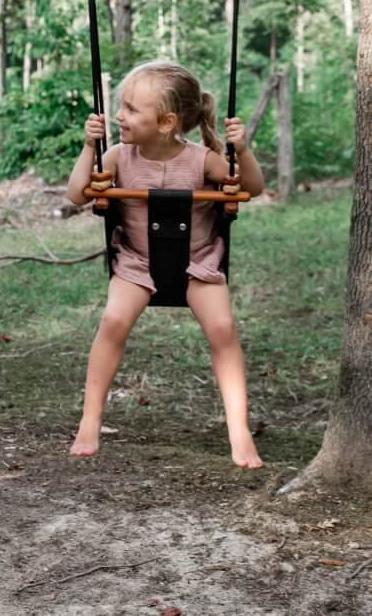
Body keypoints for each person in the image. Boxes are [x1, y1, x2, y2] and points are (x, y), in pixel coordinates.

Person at [65, 61, 264, 469]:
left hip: (199, 262)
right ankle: (90, 420)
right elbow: (76, 195)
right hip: (137, 264)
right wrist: (90, 147)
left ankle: (239, 429)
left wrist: (241, 150)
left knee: (223, 329)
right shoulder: (119, 156)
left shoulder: (202, 160)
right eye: (121, 107)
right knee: (113, 321)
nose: (119, 115)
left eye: (131, 109)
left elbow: (252, 187)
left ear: (166, 121)